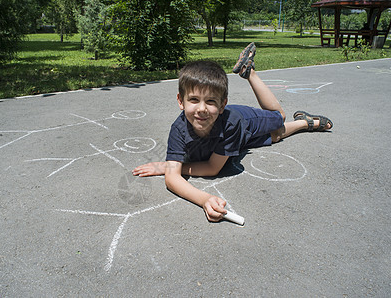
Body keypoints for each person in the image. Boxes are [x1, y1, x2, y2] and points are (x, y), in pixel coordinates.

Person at [132, 42, 333, 222]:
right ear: (180, 101)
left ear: (222, 105)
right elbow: (172, 179)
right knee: (273, 137)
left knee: (279, 118)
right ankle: (305, 123)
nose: (201, 108)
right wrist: (174, 174)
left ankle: (250, 72)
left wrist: (168, 168)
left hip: (244, 121)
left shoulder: (231, 122)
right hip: (230, 139)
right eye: (193, 100)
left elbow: (212, 168)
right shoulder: (179, 128)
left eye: (210, 101)